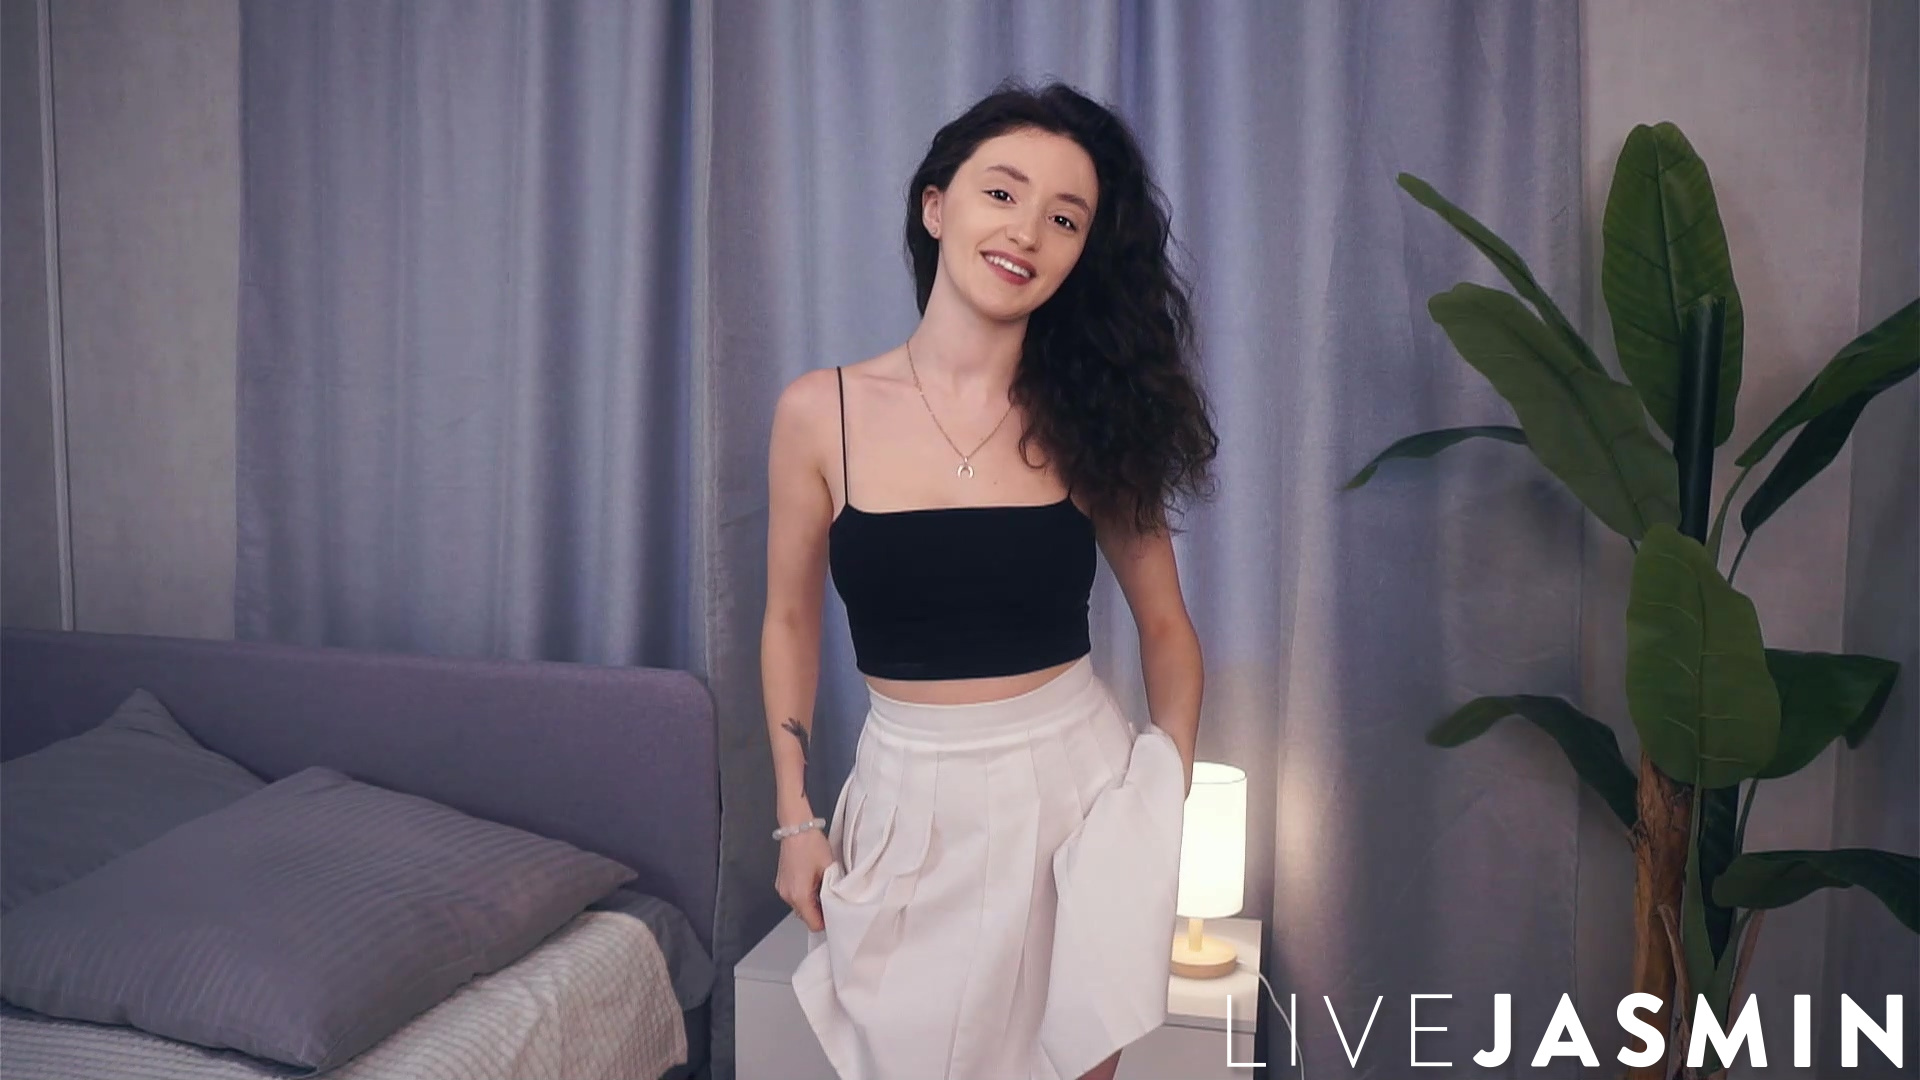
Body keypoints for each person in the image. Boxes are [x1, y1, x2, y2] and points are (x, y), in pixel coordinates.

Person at [760, 81, 1218, 1080]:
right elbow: (789, 619)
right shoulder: (819, 412)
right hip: (902, 799)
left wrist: (1158, 803)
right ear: (937, 206)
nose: (1027, 233)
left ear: (1082, 254)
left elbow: (1168, 630)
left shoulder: (1094, 416)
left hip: (1075, 798)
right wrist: (796, 815)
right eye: (1003, 194)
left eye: (1065, 219)